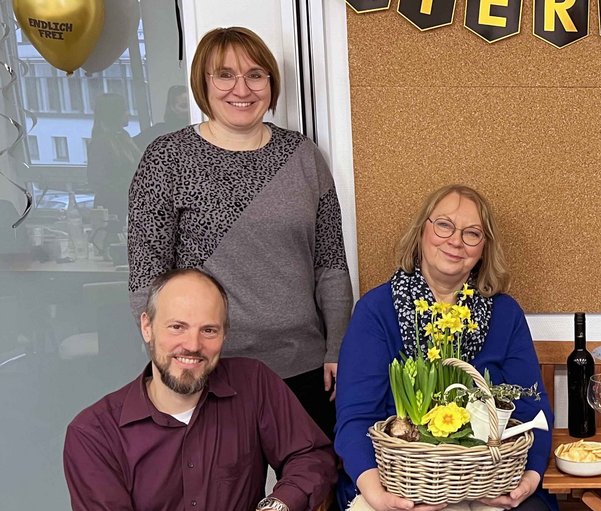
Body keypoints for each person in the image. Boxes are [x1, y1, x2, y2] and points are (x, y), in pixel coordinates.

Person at [127, 27, 353, 440]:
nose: (241, 88)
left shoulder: (302, 156)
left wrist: (337, 347)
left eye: (255, 75)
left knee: (314, 486)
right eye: (224, 75)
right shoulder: (167, 158)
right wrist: (169, 359)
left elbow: (331, 264)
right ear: (203, 83)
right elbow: (147, 274)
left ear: (270, 83)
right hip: (210, 366)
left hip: (303, 365)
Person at [335, 184, 555, 511]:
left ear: (484, 248)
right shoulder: (377, 310)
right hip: (401, 481)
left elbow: (530, 406)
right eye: (444, 225)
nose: (455, 240)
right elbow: (355, 417)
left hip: (487, 479)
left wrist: (529, 479)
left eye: (472, 233)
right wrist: (379, 496)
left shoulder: (505, 313)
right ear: (421, 231)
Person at [63, 268, 336, 511]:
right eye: (177, 327)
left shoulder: (253, 382)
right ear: (147, 327)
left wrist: (277, 505)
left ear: (225, 335)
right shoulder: (93, 435)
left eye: (208, 330)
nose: (193, 345)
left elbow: (310, 456)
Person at [87, 93, 141, 225]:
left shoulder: (123, 136)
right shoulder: (101, 143)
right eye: (124, 110)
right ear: (114, 114)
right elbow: (98, 180)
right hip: (113, 207)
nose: (128, 113)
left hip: (128, 202)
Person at [134, 85, 190, 151]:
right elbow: (134, 145)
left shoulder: (199, 128)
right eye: (183, 106)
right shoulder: (158, 131)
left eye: (191, 106)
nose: (188, 110)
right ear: (172, 107)